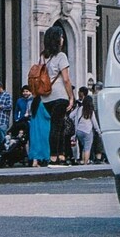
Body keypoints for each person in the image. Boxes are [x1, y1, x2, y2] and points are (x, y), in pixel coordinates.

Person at [39, 24, 74, 164]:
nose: (63, 39)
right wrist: (71, 97)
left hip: (46, 97)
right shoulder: (61, 56)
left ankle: (59, 155)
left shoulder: (43, 57)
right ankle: (56, 156)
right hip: (60, 95)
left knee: (56, 125)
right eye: (61, 37)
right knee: (58, 126)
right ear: (57, 39)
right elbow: (66, 79)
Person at [71, 88, 97, 164]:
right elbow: (94, 123)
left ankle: (82, 161)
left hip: (79, 131)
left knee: (83, 147)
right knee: (87, 148)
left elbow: (70, 116)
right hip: (88, 131)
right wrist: (98, 131)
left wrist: (75, 120)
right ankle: (86, 163)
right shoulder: (90, 110)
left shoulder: (79, 108)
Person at [27, 89, 51, 167]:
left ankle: (34, 160)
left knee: (35, 143)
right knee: (44, 143)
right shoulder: (42, 104)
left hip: (34, 126)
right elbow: (47, 115)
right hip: (44, 125)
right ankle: (45, 158)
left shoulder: (33, 104)